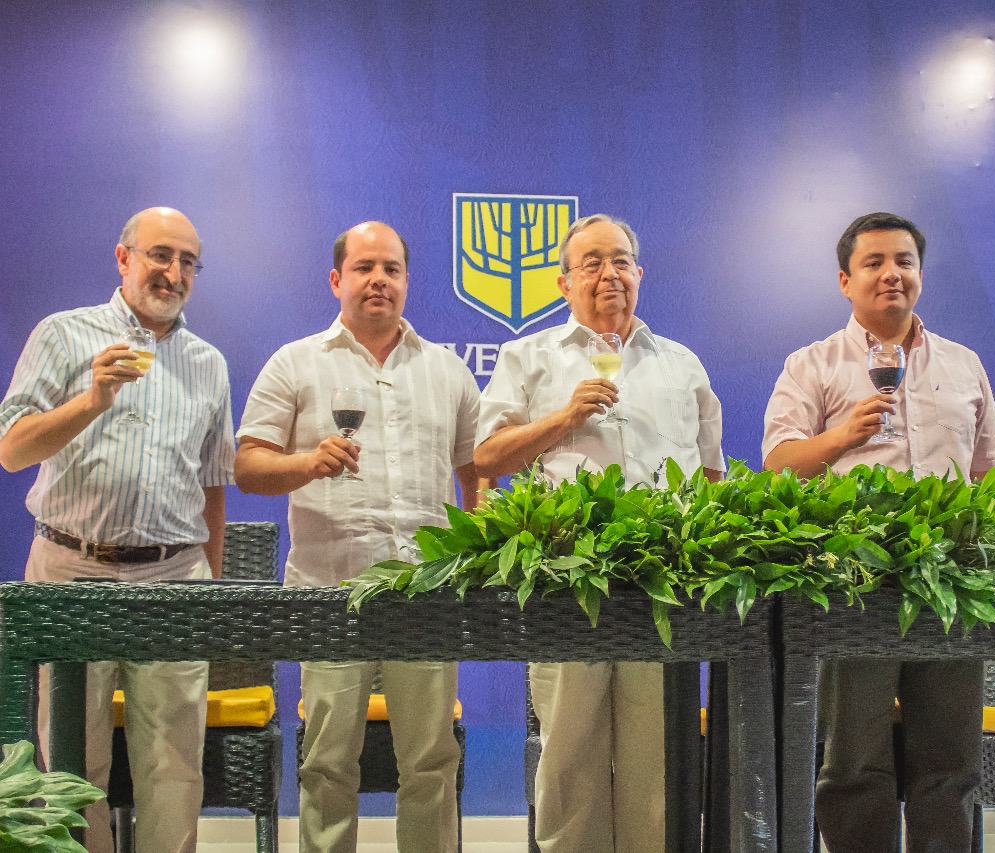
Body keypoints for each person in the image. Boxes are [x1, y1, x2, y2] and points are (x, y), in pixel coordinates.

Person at [474, 213, 725, 853]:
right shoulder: (526, 357)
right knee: (570, 749)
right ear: (563, 283)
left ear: (639, 274)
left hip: (660, 589)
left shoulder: (682, 364)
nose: (608, 274)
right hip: (565, 585)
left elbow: (713, 476)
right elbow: (489, 458)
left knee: (656, 756)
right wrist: (564, 418)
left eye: (620, 260)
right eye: (591, 263)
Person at [763, 212, 995, 852]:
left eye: (903, 261)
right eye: (873, 263)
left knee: (950, 765)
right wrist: (844, 436)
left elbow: (993, 477)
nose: (890, 274)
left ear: (920, 275)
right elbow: (778, 466)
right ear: (846, 280)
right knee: (854, 763)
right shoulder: (812, 364)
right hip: (857, 584)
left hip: (953, 584)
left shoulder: (963, 364)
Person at [235, 221, 479, 853]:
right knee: (327, 764)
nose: (380, 280)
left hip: (425, 597)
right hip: (330, 596)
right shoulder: (296, 362)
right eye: (366, 267)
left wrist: (475, 549)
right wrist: (306, 463)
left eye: (392, 269)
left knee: (430, 762)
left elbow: (476, 471)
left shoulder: (448, 371)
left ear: (406, 281)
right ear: (336, 279)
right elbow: (248, 465)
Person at [0, 206, 234, 853]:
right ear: (123, 257)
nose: (175, 271)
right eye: (161, 254)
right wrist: (90, 400)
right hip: (70, 569)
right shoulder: (63, 335)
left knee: (174, 765)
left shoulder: (207, 363)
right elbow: (12, 448)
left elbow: (213, 487)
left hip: (174, 577)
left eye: (188, 260)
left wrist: (208, 587)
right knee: (72, 765)